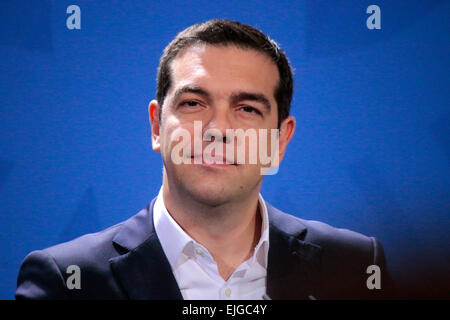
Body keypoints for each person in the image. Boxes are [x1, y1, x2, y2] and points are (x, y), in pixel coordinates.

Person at [15, 19, 394, 300]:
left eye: (246, 108)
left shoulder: (356, 265)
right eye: (194, 104)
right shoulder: (67, 280)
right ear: (156, 127)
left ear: (280, 140)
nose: (217, 129)